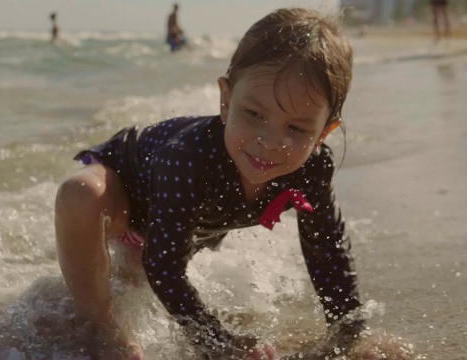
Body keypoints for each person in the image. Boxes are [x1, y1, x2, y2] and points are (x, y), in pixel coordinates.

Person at [54, 7, 365, 360]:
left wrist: (349, 335)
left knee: (137, 272)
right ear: (226, 100)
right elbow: (165, 266)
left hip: (171, 223)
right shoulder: (189, 157)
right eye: (253, 114)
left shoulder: (312, 168)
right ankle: (99, 325)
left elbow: (327, 252)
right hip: (127, 194)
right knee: (79, 196)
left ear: (324, 132)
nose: (269, 141)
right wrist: (215, 342)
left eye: (296, 129)